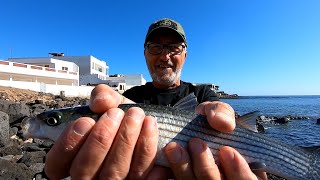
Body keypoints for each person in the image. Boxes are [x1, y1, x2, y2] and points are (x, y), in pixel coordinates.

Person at [45, 18, 266, 180]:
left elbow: (231, 125)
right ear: (145, 54)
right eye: (156, 47)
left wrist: (225, 114)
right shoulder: (128, 99)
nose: (164, 55)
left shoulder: (202, 95)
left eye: (173, 47)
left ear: (185, 55)